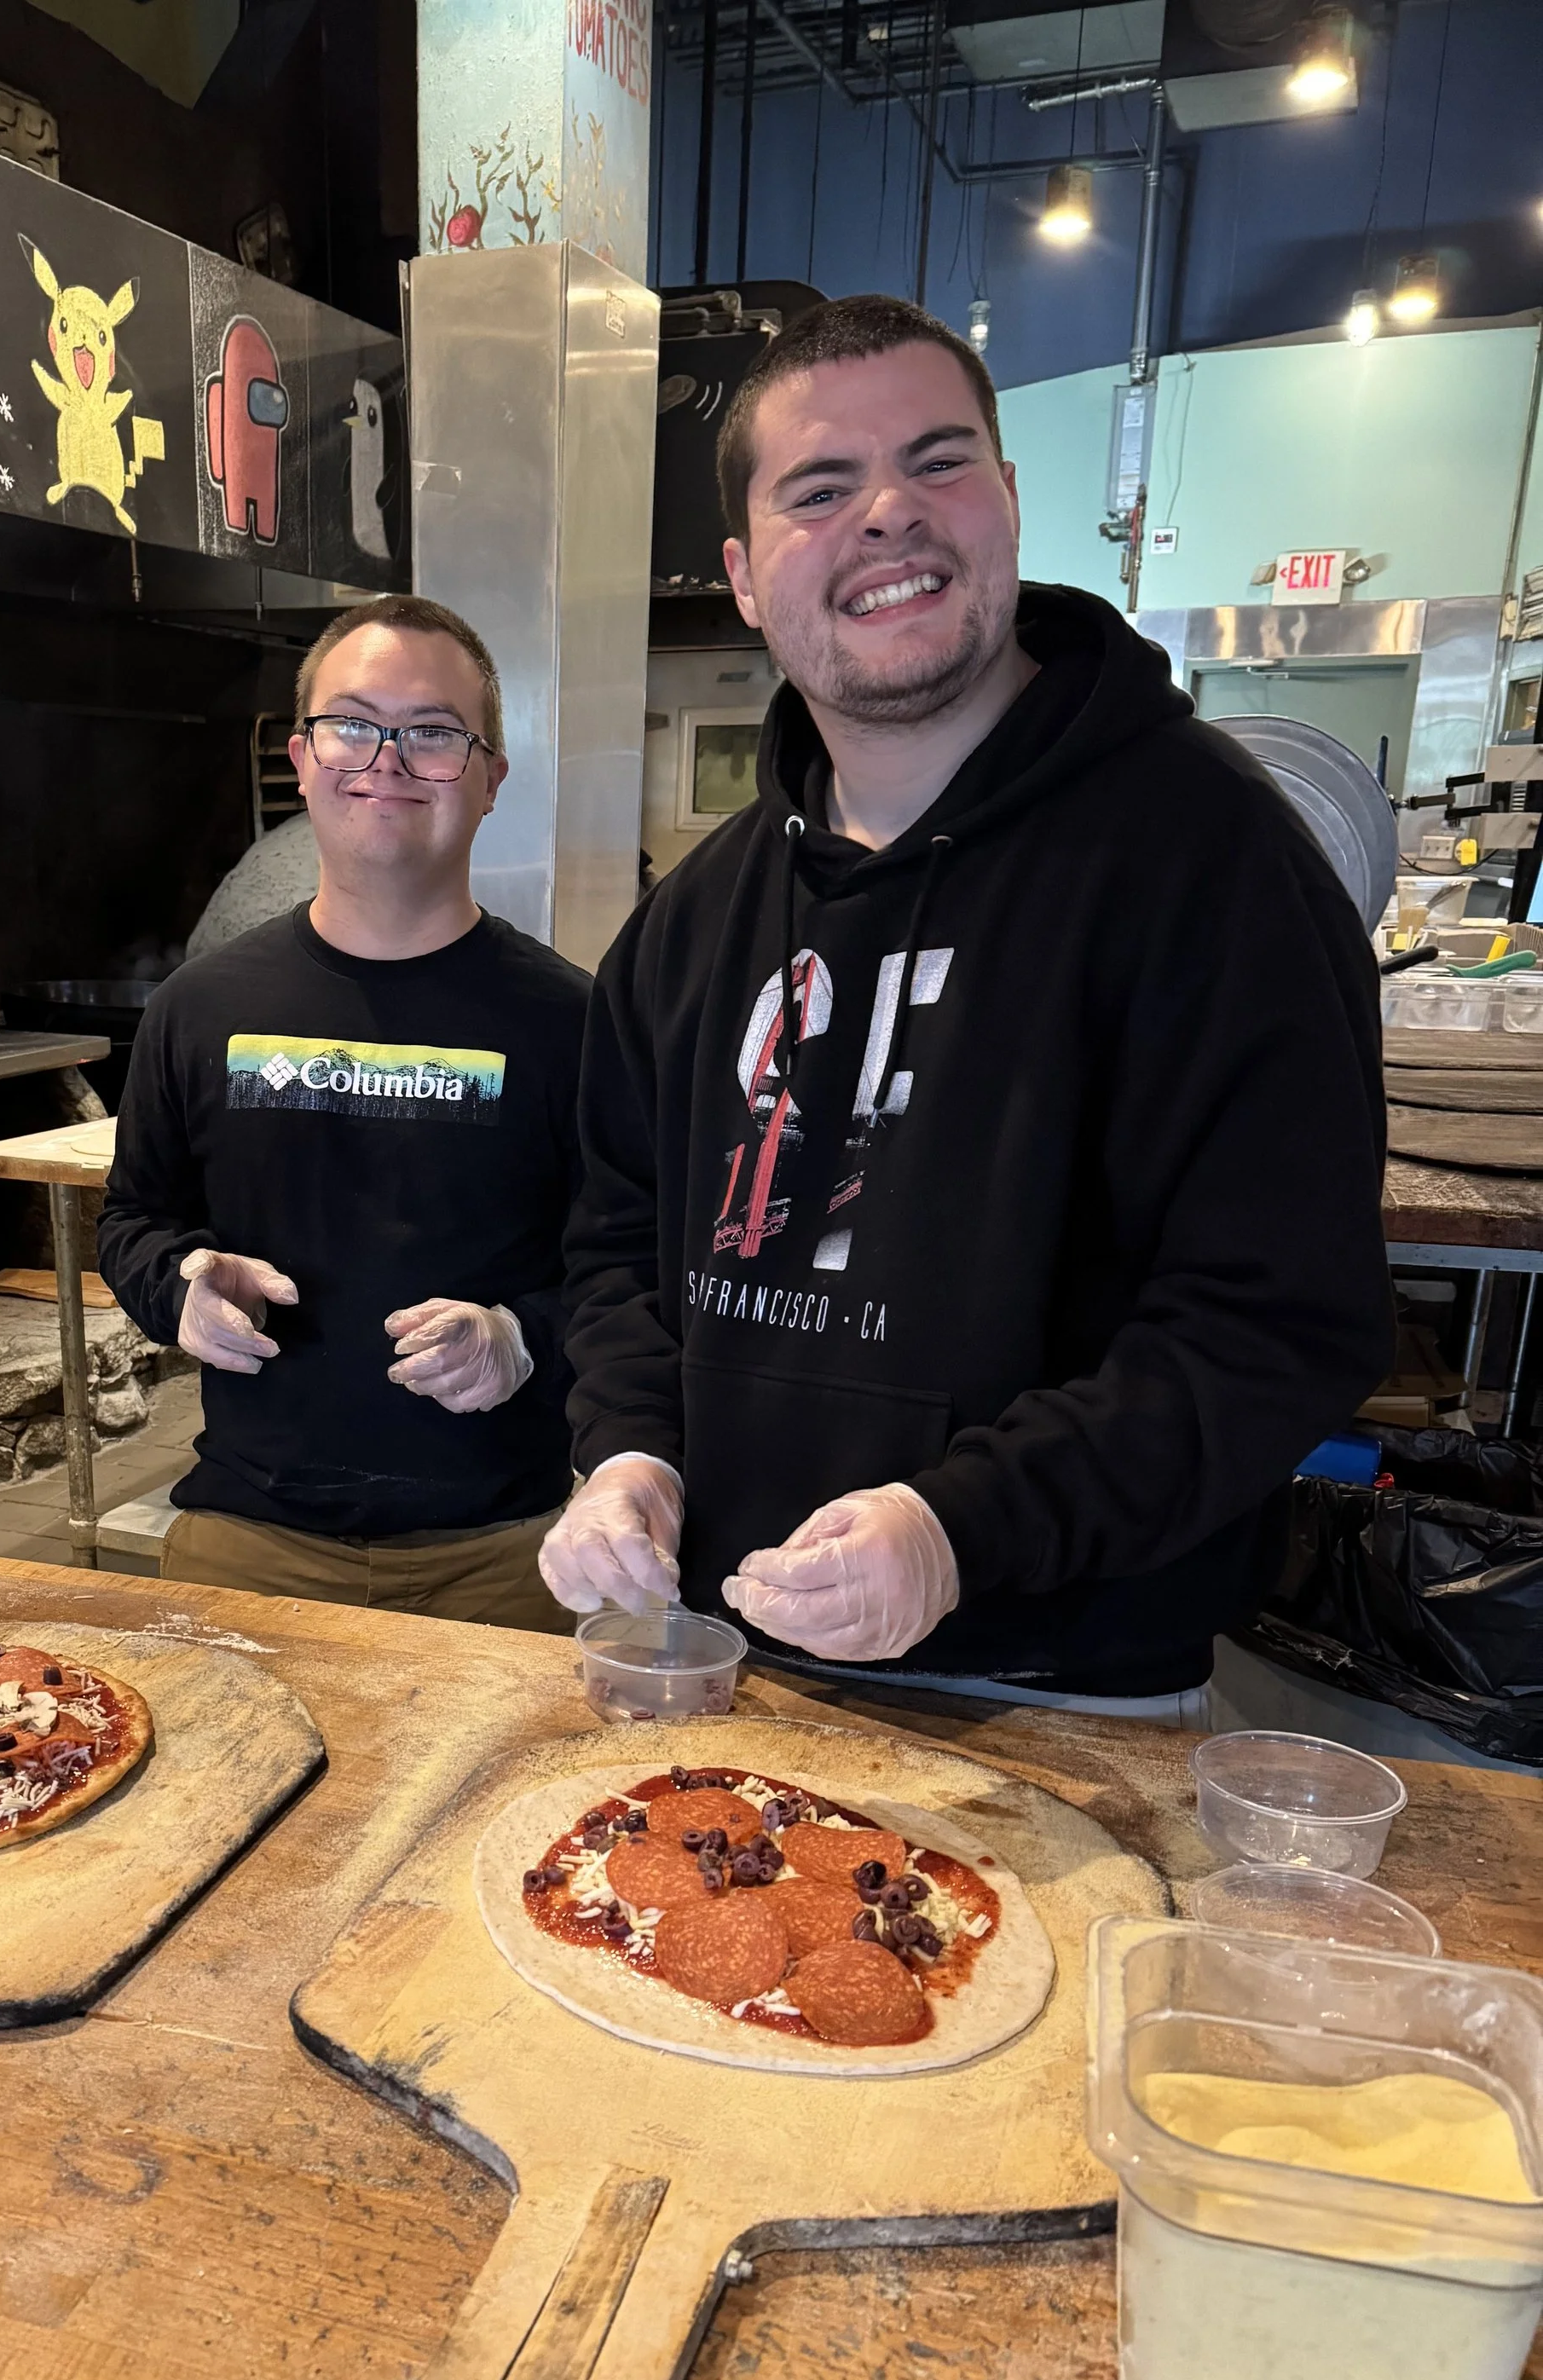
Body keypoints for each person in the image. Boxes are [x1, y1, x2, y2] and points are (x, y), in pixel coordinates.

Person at [540, 294, 1392, 1707]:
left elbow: (1277, 1323)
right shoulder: (690, 923)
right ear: (747, 577)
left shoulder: (1216, 866)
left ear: (1005, 501)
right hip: (739, 1660)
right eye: (822, 487)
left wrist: (959, 1533)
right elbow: (618, 1246)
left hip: (1069, 1688)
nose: (887, 514)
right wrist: (629, 1452)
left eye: (937, 462)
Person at [99, 592, 588, 1628]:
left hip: (508, 1549)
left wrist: (523, 1335)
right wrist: (178, 1284)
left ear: (492, 776)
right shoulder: (202, 1006)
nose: (388, 759)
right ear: (302, 755)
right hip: (246, 1536)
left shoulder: (576, 1022)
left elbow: (638, 1267)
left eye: (434, 733)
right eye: (353, 724)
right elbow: (132, 1220)